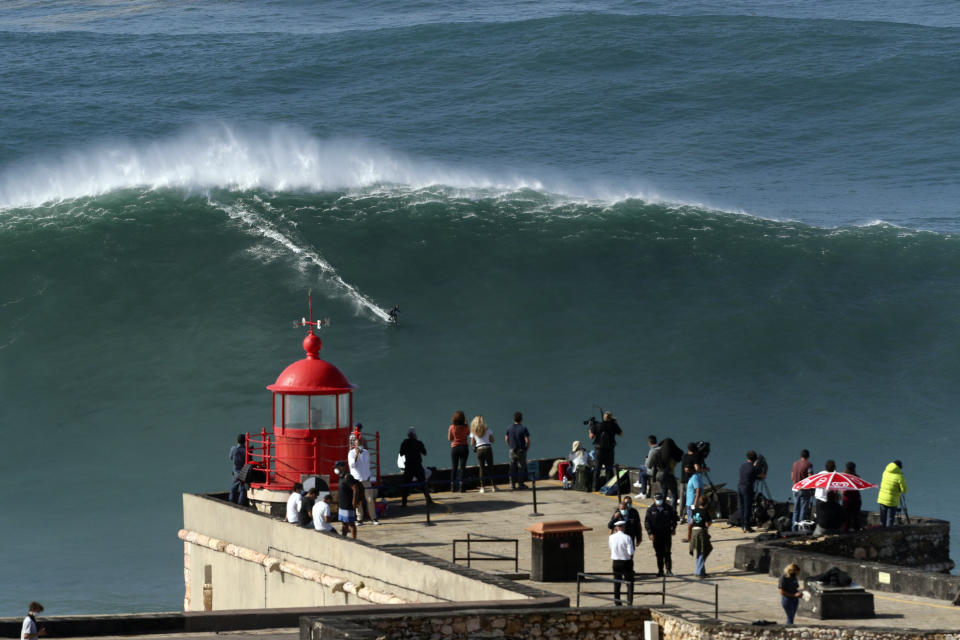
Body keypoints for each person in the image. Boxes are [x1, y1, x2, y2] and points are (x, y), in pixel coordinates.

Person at [645, 491, 678, 577]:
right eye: (657, 499)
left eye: (660, 499)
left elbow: (674, 518)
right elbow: (647, 522)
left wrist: (673, 528)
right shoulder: (650, 510)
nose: (659, 501)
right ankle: (660, 570)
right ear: (654, 499)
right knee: (659, 553)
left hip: (666, 533)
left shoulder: (669, 508)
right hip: (656, 535)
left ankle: (668, 570)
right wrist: (650, 533)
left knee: (667, 552)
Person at [348, 436, 379, 524]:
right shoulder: (351, 453)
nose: (359, 445)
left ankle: (373, 518)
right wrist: (357, 454)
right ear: (354, 444)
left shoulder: (366, 452)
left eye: (360, 443)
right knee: (359, 500)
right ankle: (359, 519)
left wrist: (369, 475)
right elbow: (352, 465)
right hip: (357, 479)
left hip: (366, 479)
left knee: (370, 499)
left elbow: (367, 465)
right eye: (357, 444)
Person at [399, 427, 432, 507]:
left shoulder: (405, 443)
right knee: (423, 484)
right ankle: (429, 500)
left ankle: (404, 503)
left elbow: (401, 453)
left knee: (406, 485)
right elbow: (425, 453)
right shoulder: (419, 443)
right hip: (417, 466)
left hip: (409, 467)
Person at [590, 411, 622, 491]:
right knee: (609, 469)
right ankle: (607, 488)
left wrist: (590, 428)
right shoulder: (613, 425)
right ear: (611, 418)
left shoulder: (597, 425)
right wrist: (615, 423)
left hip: (599, 450)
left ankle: (595, 487)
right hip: (609, 450)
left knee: (597, 469)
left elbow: (591, 437)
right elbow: (620, 434)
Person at [608, 520, 635, 606]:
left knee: (617, 583)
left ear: (616, 528)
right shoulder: (627, 537)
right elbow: (631, 552)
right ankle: (629, 602)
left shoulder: (611, 537)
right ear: (623, 527)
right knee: (629, 583)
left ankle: (617, 602)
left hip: (616, 562)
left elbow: (610, 548)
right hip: (626, 562)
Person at [469, 415, 497, 493]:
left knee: (481, 468)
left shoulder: (473, 431)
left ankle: (482, 487)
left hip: (479, 450)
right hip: (488, 448)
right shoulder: (488, 429)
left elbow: (472, 443)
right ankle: (493, 486)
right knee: (491, 467)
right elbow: (492, 440)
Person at [877, 460, 907, 527]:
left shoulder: (885, 472)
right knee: (890, 518)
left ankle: (881, 532)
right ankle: (888, 533)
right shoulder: (900, 477)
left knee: (882, 518)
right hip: (892, 501)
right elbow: (904, 490)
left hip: (882, 498)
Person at [505, 411, 530, 490]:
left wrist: (510, 446)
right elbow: (527, 441)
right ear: (521, 419)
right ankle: (520, 484)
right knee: (521, 467)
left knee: (512, 467)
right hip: (521, 450)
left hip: (512, 450)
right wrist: (526, 449)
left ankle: (512, 484)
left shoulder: (509, 428)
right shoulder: (524, 428)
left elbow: (506, 439)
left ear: (513, 419)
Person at [679, 442, 704, 521]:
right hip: (691, 481)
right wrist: (705, 469)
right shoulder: (695, 457)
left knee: (682, 499)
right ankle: (692, 516)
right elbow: (697, 468)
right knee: (690, 498)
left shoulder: (684, 456)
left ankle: (681, 516)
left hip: (683, 480)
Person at [335, 461, 359, 539]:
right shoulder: (341, 477)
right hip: (342, 504)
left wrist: (354, 502)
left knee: (351, 524)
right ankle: (344, 537)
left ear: (343, 467)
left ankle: (354, 540)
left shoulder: (348, 477)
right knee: (344, 523)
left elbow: (355, 489)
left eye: (337, 467)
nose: (336, 469)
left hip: (348, 505)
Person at [738, 451, 760, 533]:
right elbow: (760, 476)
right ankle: (747, 526)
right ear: (755, 459)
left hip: (740, 487)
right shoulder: (753, 468)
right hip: (747, 489)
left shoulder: (742, 466)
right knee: (747, 507)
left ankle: (743, 525)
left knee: (742, 507)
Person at [791, 449, 813, 531]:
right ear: (808, 456)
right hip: (804, 489)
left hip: (795, 488)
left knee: (796, 509)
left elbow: (792, 477)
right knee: (803, 510)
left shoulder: (795, 464)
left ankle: (794, 528)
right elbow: (810, 477)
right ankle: (801, 529)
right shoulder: (809, 464)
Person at [448, 410, 470, 492]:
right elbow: (468, 434)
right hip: (464, 447)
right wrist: (466, 424)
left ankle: (452, 486)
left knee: (454, 467)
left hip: (455, 448)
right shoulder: (465, 427)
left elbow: (449, 438)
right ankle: (462, 487)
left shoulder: (451, 427)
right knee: (462, 467)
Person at [683, 461, 704, 542]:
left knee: (690, 520)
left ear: (692, 470)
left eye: (687, 471)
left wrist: (695, 502)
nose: (686, 472)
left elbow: (698, 489)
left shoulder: (695, 477)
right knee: (695, 520)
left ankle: (689, 537)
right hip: (691, 502)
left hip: (692, 503)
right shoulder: (695, 476)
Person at [688, 507, 712, 578]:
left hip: (694, 532)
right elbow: (707, 525)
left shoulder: (695, 510)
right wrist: (710, 523)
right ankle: (698, 572)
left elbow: (691, 522)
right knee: (704, 551)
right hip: (701, 532)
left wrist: (689, 534)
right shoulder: (705, 511)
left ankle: (702, 571)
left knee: (700, 551)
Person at [842, 461, 863, 532]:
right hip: (857, 500)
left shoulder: (844, 478)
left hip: (847, 500)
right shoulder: (857, 477)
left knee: (846, 518)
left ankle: (845, 531)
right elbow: (859, 489)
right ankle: (856, 531)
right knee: (856, 517)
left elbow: (843, 492)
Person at [229, 433, 248, 505]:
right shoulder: (246, 450)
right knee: (243, 489)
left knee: (234, 488)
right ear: (245, 441)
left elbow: (230, 458)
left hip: (236, 472)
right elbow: (248, 461)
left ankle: (231, 502)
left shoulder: (233, 449)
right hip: (244, 472)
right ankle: (240, 504)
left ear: (237, 440)